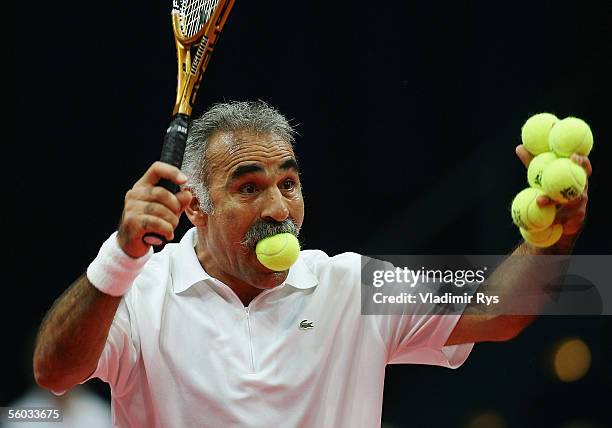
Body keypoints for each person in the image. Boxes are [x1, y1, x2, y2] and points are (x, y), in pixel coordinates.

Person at [32, 101, 592, 427]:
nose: (279, 208)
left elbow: (499, 310)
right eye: (248, 187)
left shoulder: (352, 284)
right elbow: (54, 372)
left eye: (289, 183)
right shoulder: (139, 292)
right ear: (194, 206)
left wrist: (552, 242)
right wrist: (120, 256)